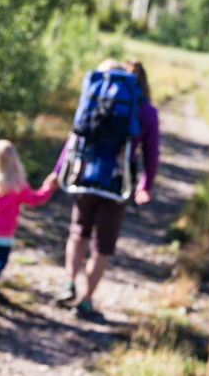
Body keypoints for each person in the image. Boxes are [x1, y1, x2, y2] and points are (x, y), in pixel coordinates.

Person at [52, 59, 160, 317]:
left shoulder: (94, 97)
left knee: (78, 232)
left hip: (84, 177)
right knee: (102, 245)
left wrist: (58, 172)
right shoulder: (145, 111)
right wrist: (146, 183)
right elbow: (152, 152)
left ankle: (69, 283)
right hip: (117, 185)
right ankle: (86, 300)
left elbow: (75, 136)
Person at [0, 139, 57, 305]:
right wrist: (48, 187)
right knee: (1, 261)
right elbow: (35, 199)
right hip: (3, 231)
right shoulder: (17, 185)